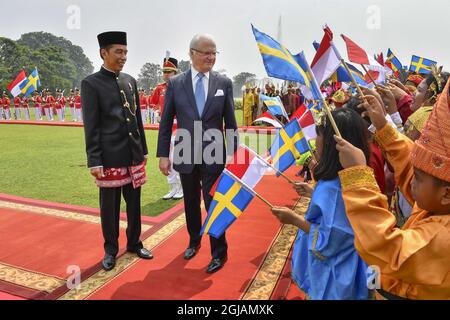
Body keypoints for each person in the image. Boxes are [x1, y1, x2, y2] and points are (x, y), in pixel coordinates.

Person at [334, 81, 450, 299]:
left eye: (418, 178)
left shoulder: (444, 237)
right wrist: (383, 127)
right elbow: (411, 166)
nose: (410, 181)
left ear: (446, 194)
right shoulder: (438, 203)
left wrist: (359, 177)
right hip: (386, 283)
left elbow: (387, 248)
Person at [157, 34, 239, 274]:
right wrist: (164, 154)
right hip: (184, 151)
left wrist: (234, 155)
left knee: (214, 202)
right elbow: (165, 122)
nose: (210, 57)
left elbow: (231, 123)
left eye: (214, 53)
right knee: (190, 202)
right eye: (205, 52)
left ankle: (219, 252)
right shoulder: (175, 84)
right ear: (191, 53)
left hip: (214, 153)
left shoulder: (223, 83)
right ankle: (194, 241)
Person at [271, 108, 371, 300]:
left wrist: (295, 220)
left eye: (319, 135)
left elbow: (333, 237)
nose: (315, 141)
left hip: (336, 273)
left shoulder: (334, 187)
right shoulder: (351, 178)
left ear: (335, 144)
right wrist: (313, 193)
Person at [81, 31, 153, 271]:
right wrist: (94, 160)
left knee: (134, 205)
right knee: (109, 208)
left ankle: (134, 243)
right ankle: (110, 250)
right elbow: (91, 125)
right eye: (118, 52)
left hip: (132, 155)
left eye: (125, 52)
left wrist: (142, 149)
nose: (123, 56)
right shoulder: (91, 83)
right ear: (104, 53)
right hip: (109, 156)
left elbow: (137, 119)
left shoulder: (130, 80)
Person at [151, 56, 183, 200]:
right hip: (165, 129)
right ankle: (173, 187)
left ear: (175, 72)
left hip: (179, 127)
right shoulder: (160, 88)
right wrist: (157, 112)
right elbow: (154, 103)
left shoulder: (182, 87)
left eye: (169, 71)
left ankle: (181, 187)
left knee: (176, 158)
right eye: (164, 71)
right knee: (167, 160)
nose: (166, 74)